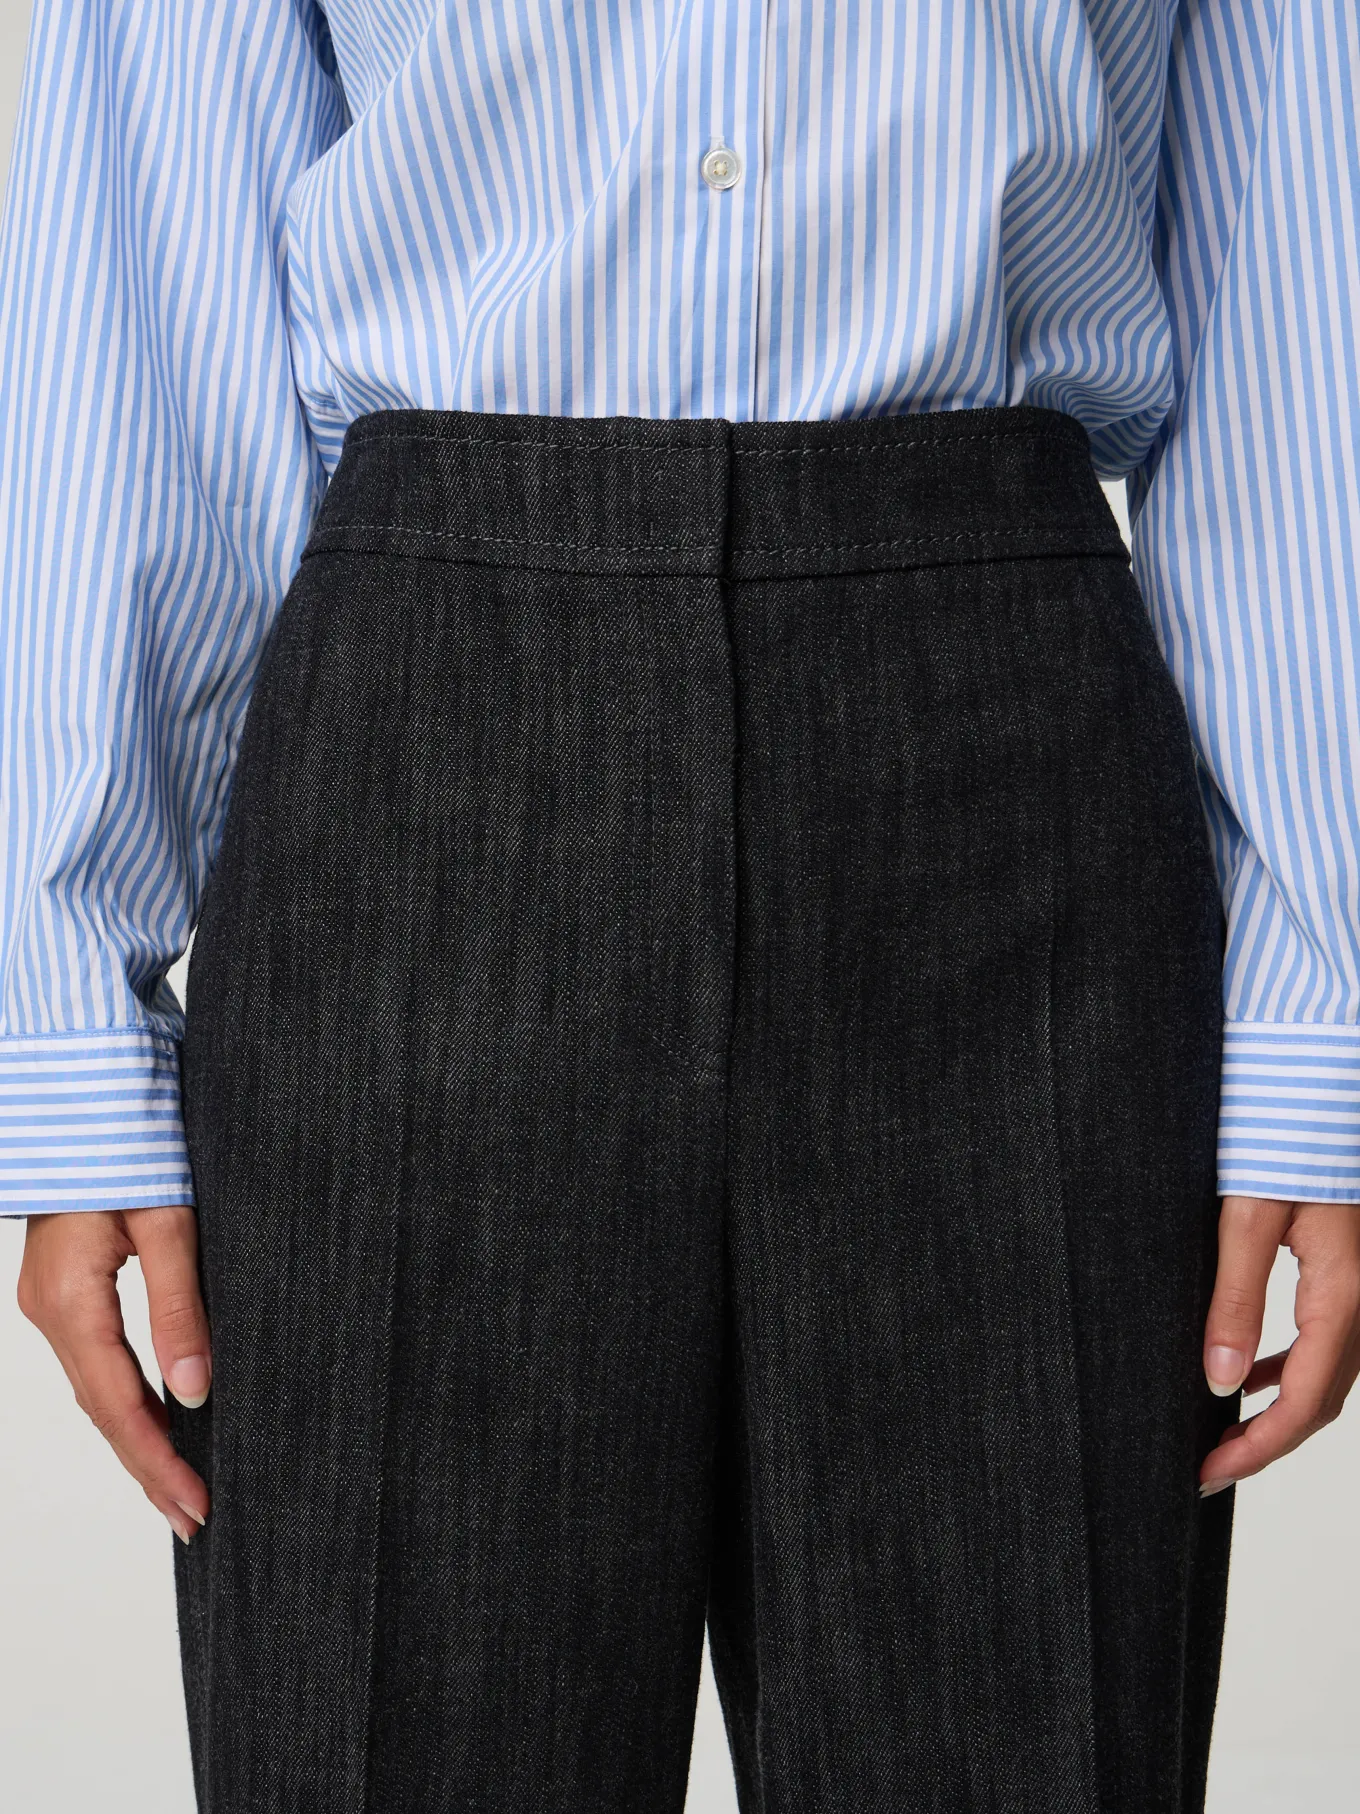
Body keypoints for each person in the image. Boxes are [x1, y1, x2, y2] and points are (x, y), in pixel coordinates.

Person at [2, 0, 1359, 1808]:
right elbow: (149, 259)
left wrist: (1321, 998)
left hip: (1004, 754)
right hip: (432, 740)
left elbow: (1295, 278)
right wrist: (68, 1003)